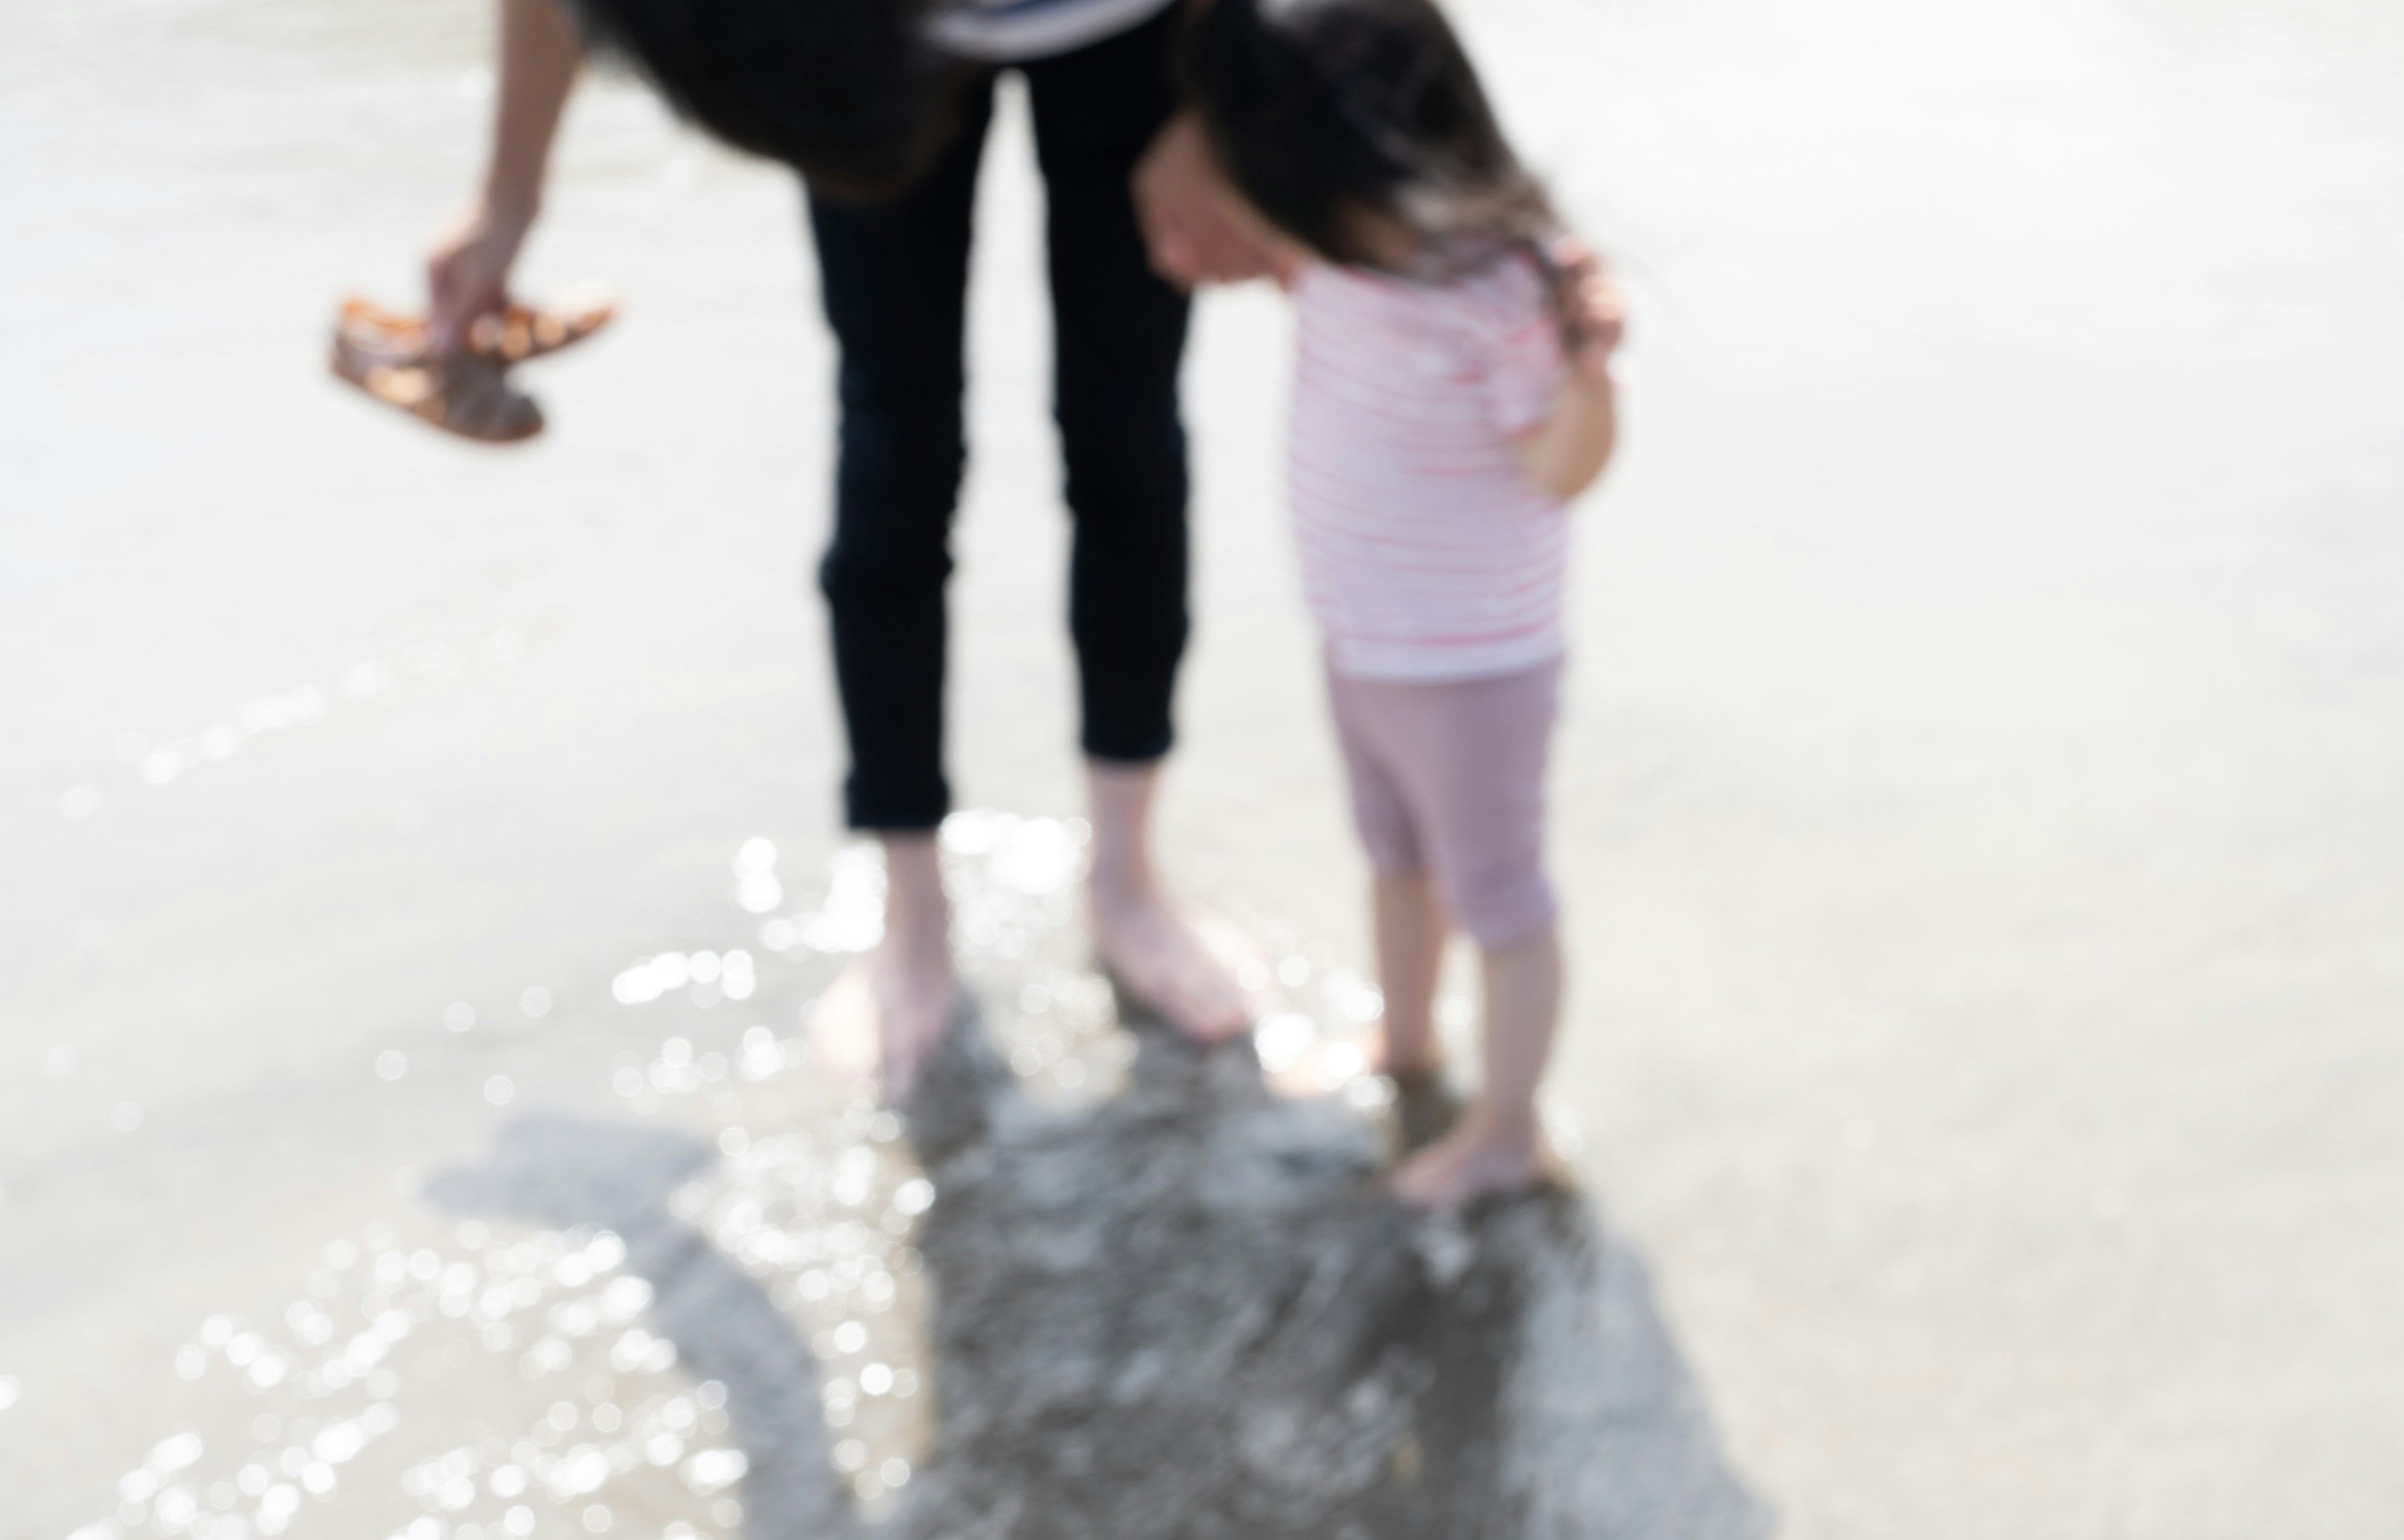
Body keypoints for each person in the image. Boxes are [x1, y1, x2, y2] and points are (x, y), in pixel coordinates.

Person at [425, 0, 1282, 1099]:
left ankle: (1125, 878)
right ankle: (911, 913)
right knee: (893, 440)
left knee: (1125, 430)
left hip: (1135, 29)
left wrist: (1225, 97)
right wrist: (507, 193)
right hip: (867, 30)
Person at [1181, 0, 1623, 1205]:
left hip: (1476, 655)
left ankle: (1506, 1131)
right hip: (1362, 631)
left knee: (1500, 896)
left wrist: (1587, 372)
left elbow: (1561, 471)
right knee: (1392, 852)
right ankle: (1406, 1041)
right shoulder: (1332, 251)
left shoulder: (1499, 287)